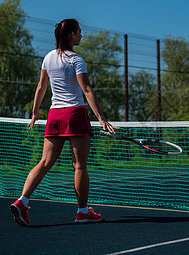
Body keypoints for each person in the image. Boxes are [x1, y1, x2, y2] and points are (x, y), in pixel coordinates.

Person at [10, 18, 117, 226]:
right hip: (74, 114)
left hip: (54, 115)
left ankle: (22, 201)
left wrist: (34, 113)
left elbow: (41, 87)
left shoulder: (48, 58)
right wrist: (102, 119)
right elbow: (86, 90)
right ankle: (83, 212)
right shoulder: (77, 60)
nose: (81, 35)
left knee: (44, 162)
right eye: (79, 31)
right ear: (71, 35)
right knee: (79, 166)